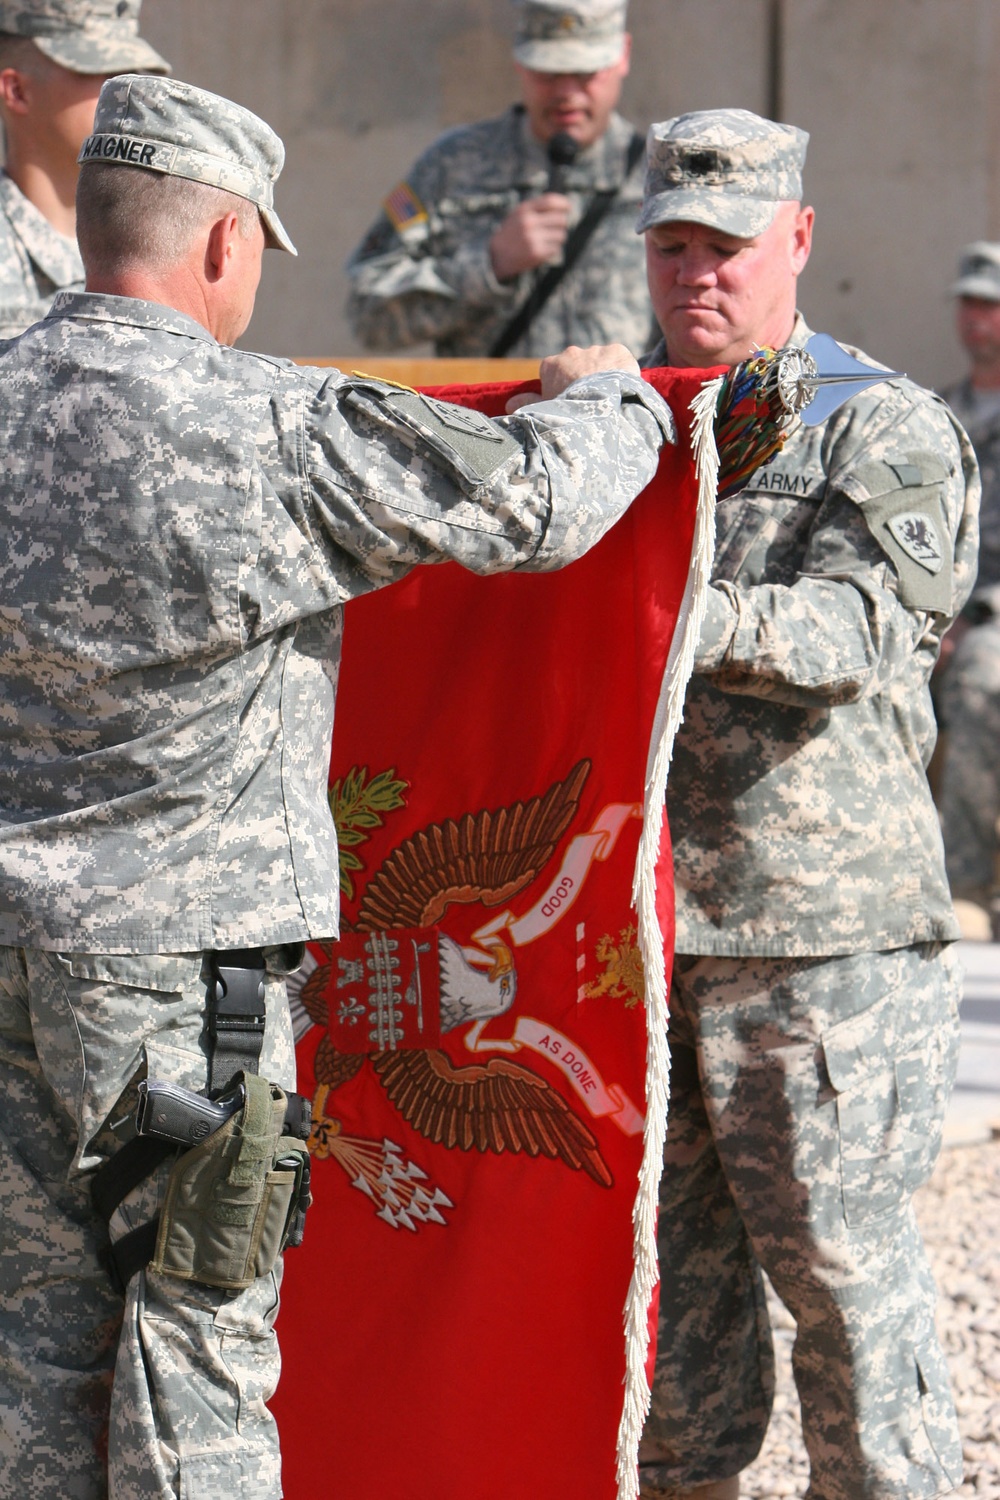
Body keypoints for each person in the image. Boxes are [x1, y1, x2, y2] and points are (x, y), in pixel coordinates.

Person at [0, 74, 677, 1500]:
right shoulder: (268, 427)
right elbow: (541, 506)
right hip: (180, 992)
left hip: (9, 967)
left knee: (29, 1351)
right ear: (227, 245)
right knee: (197, 1349)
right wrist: (611, 391)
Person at [633, 110, 980, 1500]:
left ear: (799, 239)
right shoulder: (622, 422)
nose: (695, 273)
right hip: (649, 931)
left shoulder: (879, 423)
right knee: (670, 1293)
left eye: (725, 245)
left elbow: (857, 631)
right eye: (670, 245)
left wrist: (658, 615)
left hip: (818, 941)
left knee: (845, 1278)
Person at [345, 0, 655, 358]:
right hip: (486, 413)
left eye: (587, 72)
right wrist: (489, 264)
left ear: (623, 55)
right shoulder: (454, 165)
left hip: (620, 412)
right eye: (549, 71)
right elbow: (367, 313)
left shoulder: (657, 172)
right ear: (521, 60)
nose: (566, 92)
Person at [0, 0, 167, 337]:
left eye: (134, 76)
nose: (129, 95)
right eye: (103, 74)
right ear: (16, 91)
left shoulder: (159, 240)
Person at [936, 243, 1000, 935]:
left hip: (991, 615)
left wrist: (975, 615)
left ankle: (973, 887)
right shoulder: (939, 413)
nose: (978, 319)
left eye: (993, 305)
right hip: (940, 609)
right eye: (971, 303)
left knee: (984, 672)